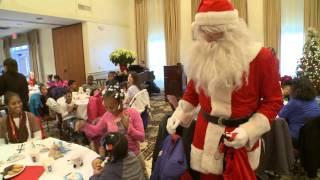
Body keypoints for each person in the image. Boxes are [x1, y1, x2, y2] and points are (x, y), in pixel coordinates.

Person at [166, 0, 283, 179]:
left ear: (231, 29)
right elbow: (193, 90)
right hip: (205, 139)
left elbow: (273, 101)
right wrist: (180, 113)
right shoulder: (201, 51)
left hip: (241, 141)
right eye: (203, 32)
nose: (207, 38)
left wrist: (249, 130)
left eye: (213, 33)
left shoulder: (261, 57)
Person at [75, 85, 147, 177]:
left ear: (120, 102)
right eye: (106, 107)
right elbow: (96, 131)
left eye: (112, 107)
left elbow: (141, 137)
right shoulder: (107, 115)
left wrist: (128, 127)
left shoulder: (132, 113)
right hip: (116, 158)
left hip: (134, 157)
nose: (109, 110)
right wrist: (84, 125)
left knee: (141, 176)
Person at [278, 78, 320, 147]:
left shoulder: (294, 102)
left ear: (295, 88)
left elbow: (280, 115)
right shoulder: (313, 100)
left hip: (298, 138)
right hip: (314, 136)